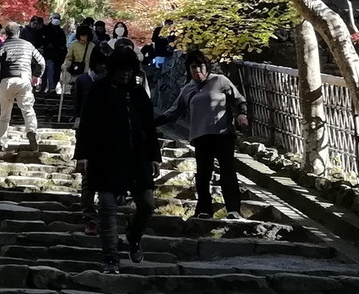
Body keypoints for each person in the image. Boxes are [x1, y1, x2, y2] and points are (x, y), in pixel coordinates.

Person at [75, 47, 161, 274]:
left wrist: (155, 156)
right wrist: (82, 155)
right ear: (113, 68)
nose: (125, 73)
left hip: (138, 158)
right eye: (121, 69)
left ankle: (133, 237)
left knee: (147, 205)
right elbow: (86, 125)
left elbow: (149, 127)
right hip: (105, 158)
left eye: (129, 69)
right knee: (107, 207)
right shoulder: (99, 90)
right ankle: (110, 258)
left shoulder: (139, 93)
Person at [159, 49, 248, 220]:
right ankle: (204, 210)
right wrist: (150, 123)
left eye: (200, 66)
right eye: (193, 67)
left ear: (206, 66)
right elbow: (173, 112)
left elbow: (239, 99)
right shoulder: (187, 90)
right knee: (203, 175)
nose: (197, 70)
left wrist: (242, 114)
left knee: (227, 172)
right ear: (188, 69)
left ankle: (233, 209)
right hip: (200, 137)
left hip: (223, 134)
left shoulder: (220, 81)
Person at [0, 22, 45, 151]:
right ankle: (31, 130)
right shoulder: (28, 45)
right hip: (24, 78)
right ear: (18, 33)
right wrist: (36, 76)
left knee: (4, 115)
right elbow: (41, 62)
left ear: (6, 34)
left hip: (7, 79)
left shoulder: (2, 46)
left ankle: (1, 143)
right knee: (28, 110)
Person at [71, 52, 108, 235]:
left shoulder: (111, 82)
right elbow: (77, 104)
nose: (102, 67)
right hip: (87, 129)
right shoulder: (83, 80)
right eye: (99, 63)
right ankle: (90, 217)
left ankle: (105, 214)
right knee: (87, 177)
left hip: (108, 131)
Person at [40, 14, 67, 93]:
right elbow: (43, 40)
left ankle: (53, 87)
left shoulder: (61, 31)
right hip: (48, 54)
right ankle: (48, 87)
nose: (56, 19)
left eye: (58, 18)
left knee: (56, 72)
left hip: (58, 56)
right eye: (55, 18)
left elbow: (63, 44)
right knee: (49, 70)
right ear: (51, 19)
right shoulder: (45, 29)